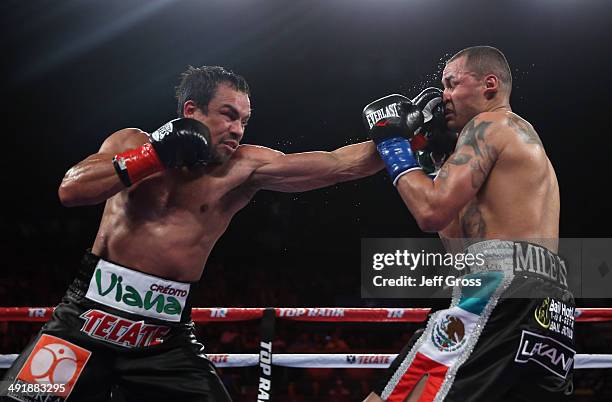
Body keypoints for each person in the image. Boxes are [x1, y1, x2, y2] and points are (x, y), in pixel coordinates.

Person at [1, 66, 384, 402]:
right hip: (84, 323)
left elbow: (338, 165)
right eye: (228, 115)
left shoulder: (242, 168)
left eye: (244, 120)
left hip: (163, 341)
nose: (237, 129)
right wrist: (154, 156)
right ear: (191, 112)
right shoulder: (132, 143)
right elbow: (71, 189)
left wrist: (405, 135)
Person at [363, 46, 575, 401]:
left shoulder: (488, 125)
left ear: (488, 84)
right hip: (551, 305)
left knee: (394, 397)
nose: (443, 96)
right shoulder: (516, 137)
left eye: (451, 84)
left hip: (501, 289)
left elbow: (429, 212)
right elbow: (458, 242)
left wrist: (394, 143)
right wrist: (434, 162)